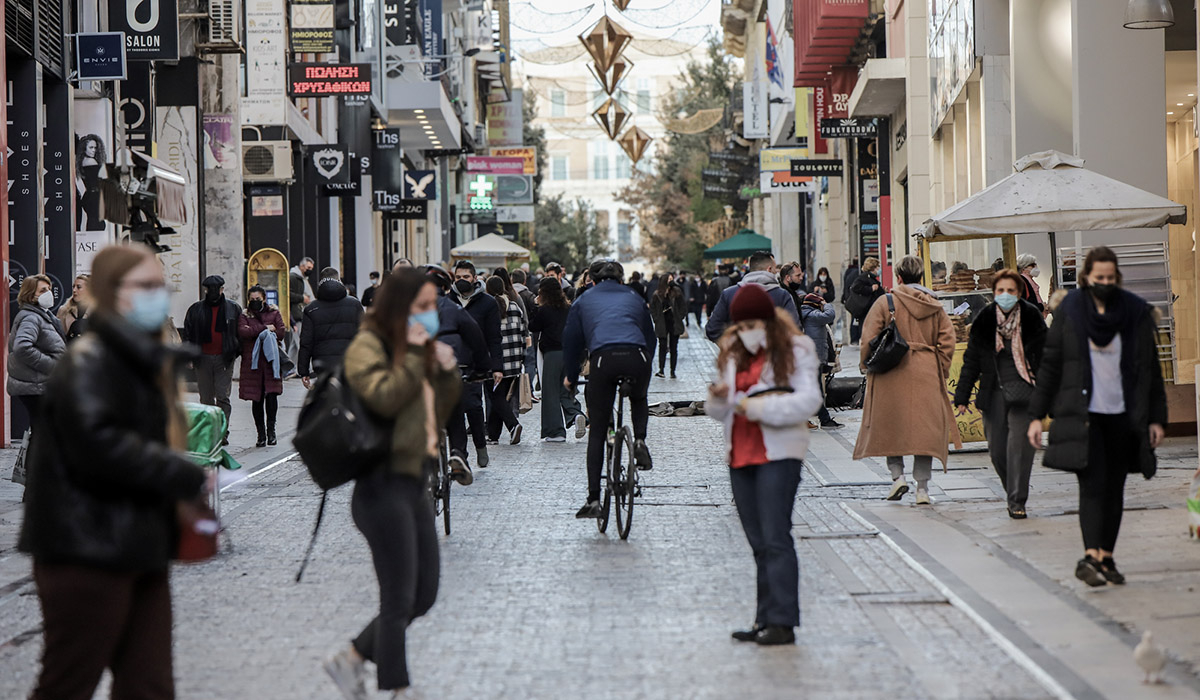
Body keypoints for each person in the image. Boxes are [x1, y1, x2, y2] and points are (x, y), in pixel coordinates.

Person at [19, 244, 210, 700]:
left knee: (148, 686)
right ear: (110, 293)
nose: (156, 295)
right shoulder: (88, 361)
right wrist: (176, 472)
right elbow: (99, 444)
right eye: (144, 286)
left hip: (141, 542)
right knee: (68, 682)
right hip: (84, 547)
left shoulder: (139, 359)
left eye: (159, 286)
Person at [325, 268, 462, 698]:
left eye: (432, 306)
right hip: (380, 486)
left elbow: (438, 410)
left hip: (415, 480)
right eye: (421, 307)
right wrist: (417, 360)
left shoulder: (417, 348)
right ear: (399, 307)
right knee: (398, 597)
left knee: (424, 594)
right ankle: (398, 688)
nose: (429, 314)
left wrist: (444, 371)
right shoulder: (368, 345)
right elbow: (382, 397)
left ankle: (350, 657)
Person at [1025, 246, 1166, 587]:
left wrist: (1157, 418)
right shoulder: (1070, 311)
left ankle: (1106, 556)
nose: (1104, 282)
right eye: (1098, 277)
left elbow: (1150, 370)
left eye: (1109, 277)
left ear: (1116, 277)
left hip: (1123, 416)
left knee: (1114, 487)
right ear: (1086, 277)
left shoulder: (1134, 312)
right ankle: (1091, 555)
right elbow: (1051, 365)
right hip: (1082, 415)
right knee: (1091, 485)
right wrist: (1036, 415)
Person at [706, 284, 822, 647]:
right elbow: (719, 411)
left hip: (779, 451)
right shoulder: (732, 352)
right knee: (758, 542)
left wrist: (759, 409)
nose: (746, 331)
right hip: (740, 451)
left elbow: (809, 400)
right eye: (740, 326)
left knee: (775, 536)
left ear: (769, 319)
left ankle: (783, 622)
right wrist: (718, 400)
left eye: (752, 323)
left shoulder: (796, 347)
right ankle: (764, 617)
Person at [853, 255, 961, 505]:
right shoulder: (934, 304)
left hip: (890, 371)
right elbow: (947, 341)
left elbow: (868, 337)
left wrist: (865, 365)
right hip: (926, 371)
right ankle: (922, 489)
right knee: (925, 433)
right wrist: (940, 369)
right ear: (921, 277)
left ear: (899, 277)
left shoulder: (885, 301)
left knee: (892, 427)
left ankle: (897, 478)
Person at [563, 259, 656, 519]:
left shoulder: (583, 300)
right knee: (639, 398)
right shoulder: (634, 297)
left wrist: (570, 377)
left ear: (591, 280)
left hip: (604, 358)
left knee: (599, 430)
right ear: (621, 279)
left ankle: (594, 498)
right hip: (637, 356)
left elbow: (571, 342)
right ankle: (639, 439)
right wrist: (646, 362)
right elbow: (650, 335)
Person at [954, 270, 1047, 519]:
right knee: (997, 452)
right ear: (994, 293)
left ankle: (1018, 500)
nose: (1005, 296)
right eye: (1000, 291)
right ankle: (1011, 490)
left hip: (1026, 393)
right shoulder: (985, 319)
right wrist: (962, 395)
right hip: (993, 393)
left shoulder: (1031, 317)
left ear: (1019, 293)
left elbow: (1046, 360)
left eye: (1011, 291)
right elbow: (971, 359)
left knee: (1021, 449)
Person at [420, 263, 487, 485]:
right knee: (455, 413)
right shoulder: (454, 309)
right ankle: (458, 452)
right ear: (446, 288)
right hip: (448, 371)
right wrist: (482, 369)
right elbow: (477, 339)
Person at [451, 260, 504, 468]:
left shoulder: (488, 303)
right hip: (451, 362)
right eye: (458, 277)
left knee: (473, 406)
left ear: (474, 278)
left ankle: (480, 446)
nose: (462, 280)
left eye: (465, 277)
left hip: (475, 364)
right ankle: (460, 455)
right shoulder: (448, 301)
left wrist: (496, 366)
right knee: (453, 410)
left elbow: (494, 337)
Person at [529, 277, 586, 442]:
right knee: (565, 390)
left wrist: (535, 306)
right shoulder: (569, 308)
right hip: (570, 353)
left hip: (552, 354)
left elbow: (533, 326)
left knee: (550, 392)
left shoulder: (544, 310)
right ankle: (575, 415)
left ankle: (555, 432)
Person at [182, 275, 241, 431]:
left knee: (223, 396)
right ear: (206, 290)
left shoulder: (233, 308)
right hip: (202, 360)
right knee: (206, 398)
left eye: (218, 289)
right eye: (210, 289)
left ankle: (222, 432)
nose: (214, 292)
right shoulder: (195, 309)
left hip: (224, 358)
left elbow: (240, 332)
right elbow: (187, 334)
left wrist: (235, 352)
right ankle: (211, 431)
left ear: (222, 290)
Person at [8, 275, 67, 433]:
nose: (48, 293)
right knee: (44, 434)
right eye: (42, 290)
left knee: (44, 433)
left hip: (40, 386)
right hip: (36, 386)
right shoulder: (31, 318)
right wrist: (52, 366)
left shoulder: (43, 316)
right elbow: (22, 347)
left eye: (48, 289)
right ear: (30, 294)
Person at [706, 252, 799, 342]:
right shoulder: (782, 295)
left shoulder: (728, 294)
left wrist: (733, 346)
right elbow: (794, 328)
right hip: (774, 355)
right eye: (775, 270)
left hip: (738, 356)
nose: (776, 273)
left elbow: (712, 329)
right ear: (769, 269)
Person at [298, 267, 365, 387]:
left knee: (327, 398)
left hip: (323, 364)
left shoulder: (311, 309)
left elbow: (306, 342)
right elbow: (364, 334)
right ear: (339, 280)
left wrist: (303, 371)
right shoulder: (354, 304)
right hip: (350, 362)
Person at [238, 285, 286, 448]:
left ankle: (271, 431)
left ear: (264, 299)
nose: (255, 302)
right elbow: (243, 332)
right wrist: (265, 328)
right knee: (256, 399)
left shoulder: (274, 312)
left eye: (258, 299)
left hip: (271, 362)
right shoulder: (244, 315)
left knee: (271, 396)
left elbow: (281, 331)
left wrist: (256, 330)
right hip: (253, 362)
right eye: (252, 300)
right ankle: (261, 435)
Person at [484, 276, 528, 446]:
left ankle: (513, 425)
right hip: (514, 361)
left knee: (495, 397)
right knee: (500, 396)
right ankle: (493, 436)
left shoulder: (489, 307)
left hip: (495, 361)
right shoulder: (516, 306)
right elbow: (523, 332)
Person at [798, 292, 841, 430]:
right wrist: (826, 304)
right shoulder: (813, 316)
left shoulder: (805, 314)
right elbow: (830, 316)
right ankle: (824, 419)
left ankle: (820, 418)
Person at [649, 273, 687, 378]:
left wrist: (680, 316)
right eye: (669, 279)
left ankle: (672, 371)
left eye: (672, 279)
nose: (671, 281)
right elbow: (652, 308)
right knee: (662, 346)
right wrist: (656, 318)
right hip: (662, 323)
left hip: (674, 322)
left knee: (674, 347)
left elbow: (683, 306)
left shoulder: (677, 292)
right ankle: (661, 370)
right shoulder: (657, 294)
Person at [846, 257, 884, 338]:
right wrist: (871, 289)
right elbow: (856, 287)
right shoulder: (864, 277)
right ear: (873, 268)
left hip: (870, 308)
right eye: (878, 267)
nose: (879, 269)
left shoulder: (871, 278)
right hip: (866, 308)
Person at [57, 274, 91, 342]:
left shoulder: (97, 311)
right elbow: (57, 337)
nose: (74, 290)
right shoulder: (63, 310)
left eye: (78, 287)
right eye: (73, 287)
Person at [289, 256, 315, 326]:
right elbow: (287, 295)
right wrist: (302, 298)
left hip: (302, 314)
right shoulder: (293, 277)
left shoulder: (304, 279)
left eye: (311, 268)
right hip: (295, 316)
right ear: (302, 266)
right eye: (308, 268)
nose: (310, 270)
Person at [841, 258, 860, 343]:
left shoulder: (848, 272)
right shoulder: (856, 273)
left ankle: (854, 338)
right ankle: (855, 338)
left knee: (854, 319)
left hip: (850, 300)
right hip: (856, 300)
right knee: (856, 320)